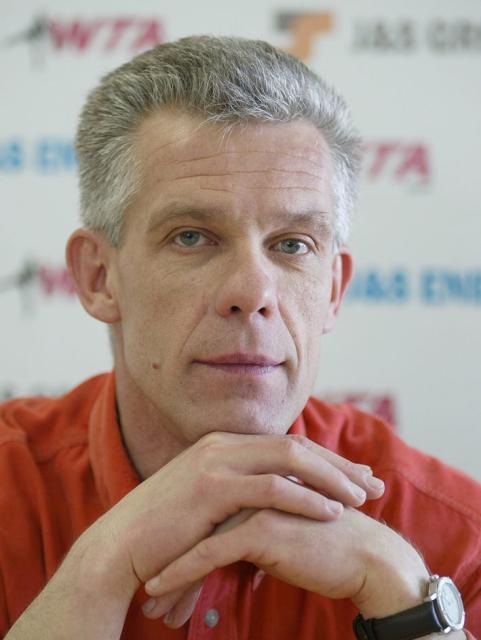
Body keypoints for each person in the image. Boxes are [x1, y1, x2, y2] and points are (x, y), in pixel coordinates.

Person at [1, 35, 480, 640]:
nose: (252, 291)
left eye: (292, 244)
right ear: (99, 277)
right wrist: (98, 568)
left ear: (333, 290)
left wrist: (404, 600)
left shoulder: (456, 538)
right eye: (191, 237)